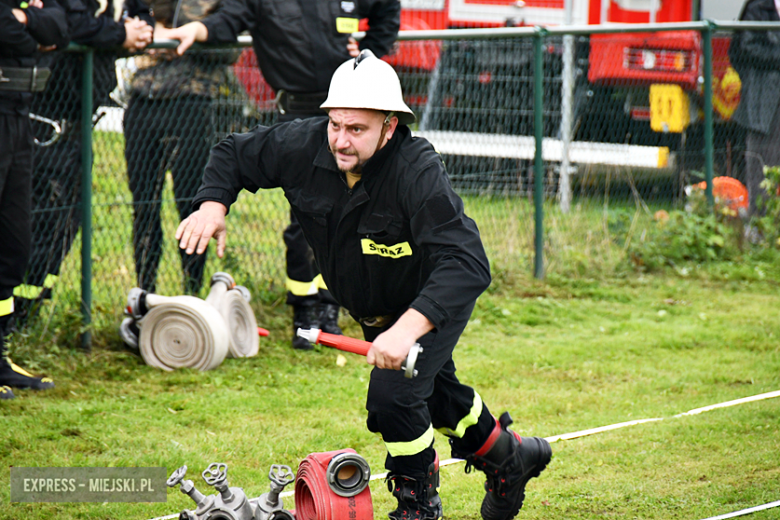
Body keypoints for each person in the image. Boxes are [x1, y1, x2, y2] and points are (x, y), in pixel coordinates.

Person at [175, 51, 552, 520]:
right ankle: (509, 460)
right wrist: (213, 203)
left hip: (427, 304)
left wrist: (405, 329)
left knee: (394, 398)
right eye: (336, 125)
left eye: (357, 130)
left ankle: (418, 509)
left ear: (390, 126)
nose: (341, 140)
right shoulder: (302, 145)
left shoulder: (416, 171)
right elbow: (234, 152)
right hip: (374, 311)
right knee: (436, 394)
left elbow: (466, 262)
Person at [164, 0, 401, 349]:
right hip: (299, 114)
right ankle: (304, 311)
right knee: (306, 223)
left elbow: (386, 7)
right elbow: (228, 20)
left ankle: (331, 308)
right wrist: (197, 29)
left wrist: (370, 53)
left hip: (353, 116)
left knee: (353, 219)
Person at [13, 0, 154, 325]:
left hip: (80, 127)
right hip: (44, 122)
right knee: (33, 225)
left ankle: (29, 314)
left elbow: (141, 16)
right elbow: (69, 25)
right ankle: (14, 319)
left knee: (63, 226)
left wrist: (131, 32)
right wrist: (119, 34)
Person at [122, 0, 238, 299]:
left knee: (191, 205)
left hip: (191, 104)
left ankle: (191, 298)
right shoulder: (147, 5)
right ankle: (144, 296)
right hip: (142, 103)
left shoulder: (214, 6)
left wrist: (189, 37)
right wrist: (149, 33)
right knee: (144, 208)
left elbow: (230, 48)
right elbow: (126, 25)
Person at [0, 0, 69, 399]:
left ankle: (0, 357)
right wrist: (32, 33)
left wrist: (27, 21)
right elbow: (13, 35)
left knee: (13, 246)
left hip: (20, 113)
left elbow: (61, 26)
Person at [731, 0, 780, 218]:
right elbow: (744, 49)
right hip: (764, 105)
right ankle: (760, 227)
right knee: (762, 165)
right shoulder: (758, 7)